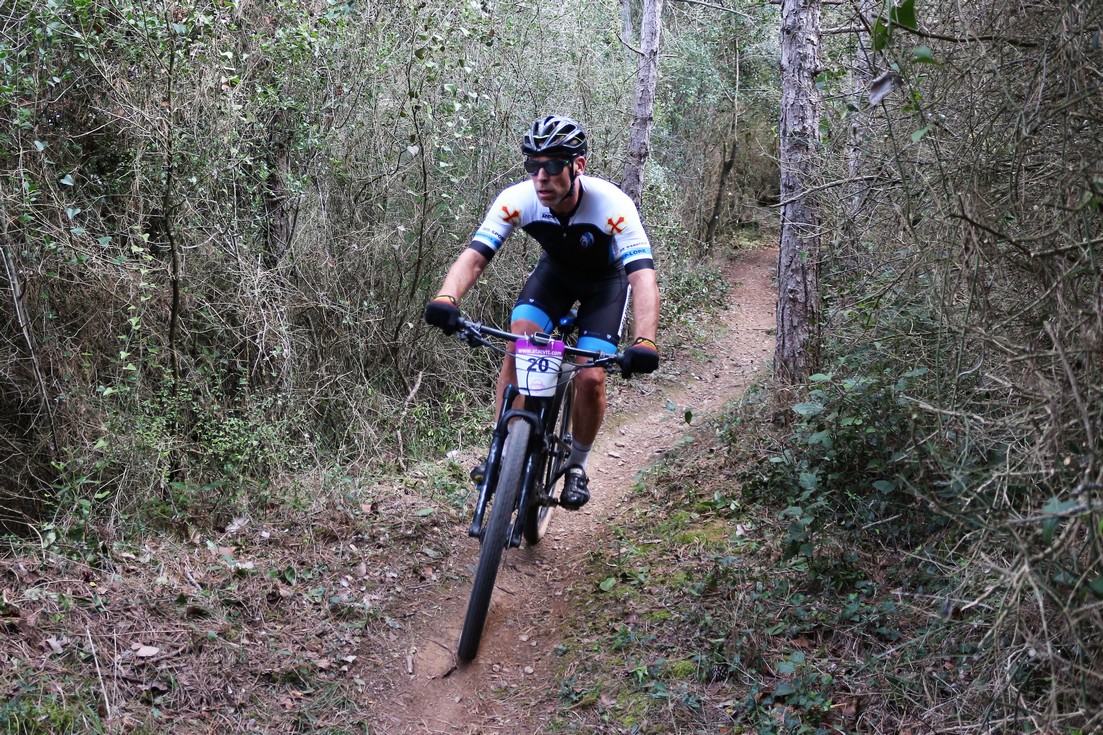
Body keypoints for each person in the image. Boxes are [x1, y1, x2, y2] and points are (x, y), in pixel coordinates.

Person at [424, 114, 660, 510]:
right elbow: (476, 257)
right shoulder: (517, 200)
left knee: (590, 377)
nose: (541, 177)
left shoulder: (613, 205)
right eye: (533, 166)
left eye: (552, 166)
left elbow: (642, 277)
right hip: (555, 277)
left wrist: (645, 340)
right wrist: (446, 298)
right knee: (519, 342)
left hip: (606, 285)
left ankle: (577, 466)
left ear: (577, 165)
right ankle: (502, 449)